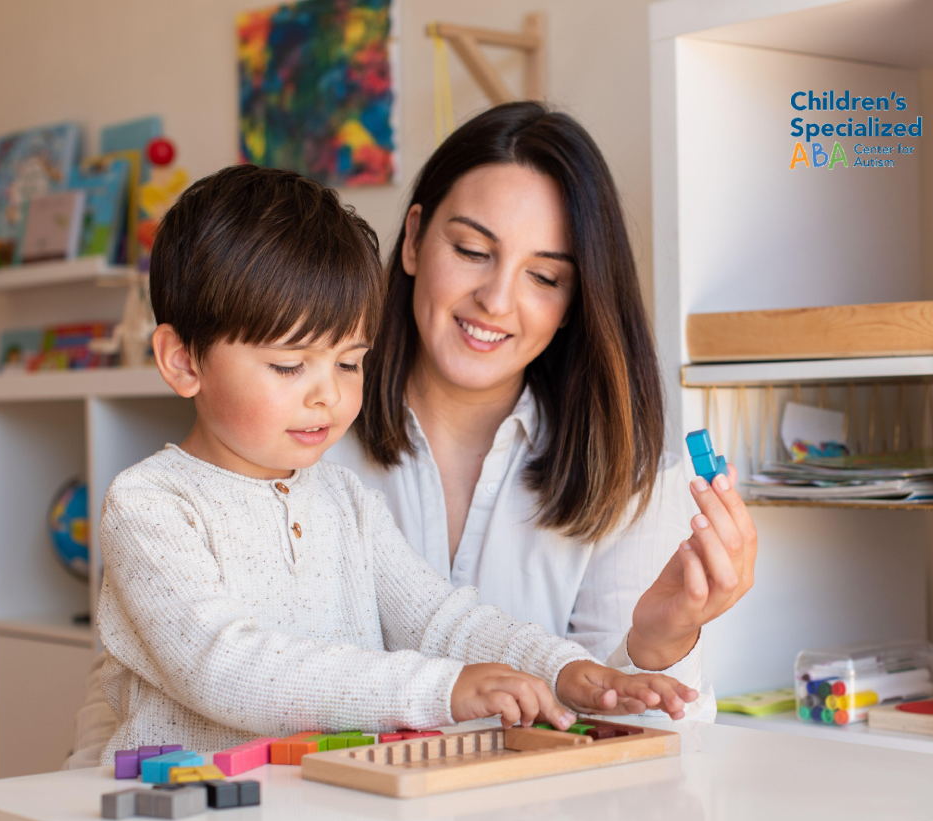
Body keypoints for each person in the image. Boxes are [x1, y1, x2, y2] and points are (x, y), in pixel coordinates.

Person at [70, 165, 695, 765]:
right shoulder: (152, 504)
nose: (329, 395)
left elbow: (439, 617)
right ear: (182, 361)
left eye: (349, 362)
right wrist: (438, 691)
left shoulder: (344, 499)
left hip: (322, 815)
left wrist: (559, 668)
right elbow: (225, 668)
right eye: (289, 366)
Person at [326, 102, 758, 721]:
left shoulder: (627, 480)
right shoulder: (305, 437)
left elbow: (639, 762)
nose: (496, 300)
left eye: (545, 278)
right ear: (415, 239)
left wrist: (659, 645)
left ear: (574, 302)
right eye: (473, 250)